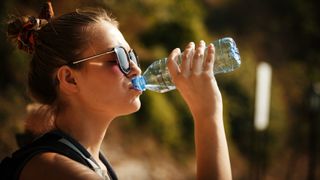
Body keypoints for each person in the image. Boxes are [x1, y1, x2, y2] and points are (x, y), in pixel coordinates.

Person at [3, 1, 232, 179]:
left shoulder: (92, 162)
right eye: (119, 57)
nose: (135, 68)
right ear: (70, 79)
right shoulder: (55, 169)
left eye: (132, 56)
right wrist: (207, 115)